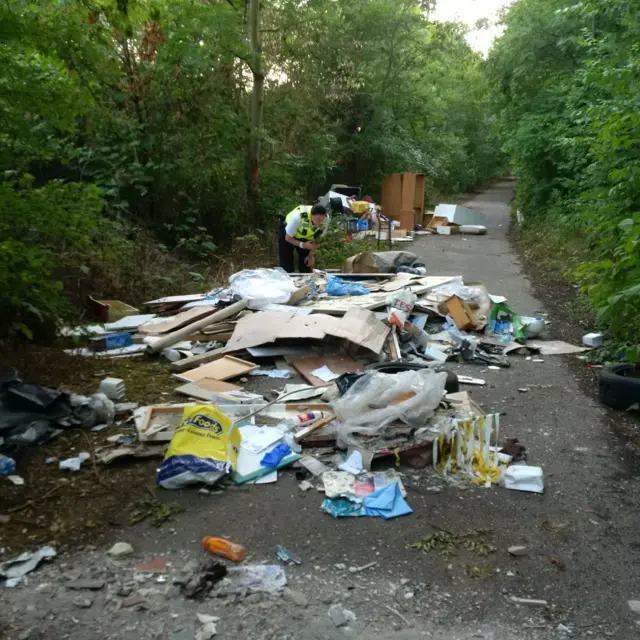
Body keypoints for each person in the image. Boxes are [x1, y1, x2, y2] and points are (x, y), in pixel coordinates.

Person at [278, 203, 328, 273]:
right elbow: (288, 238)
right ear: (311, 215)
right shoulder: (297, 218)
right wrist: (303, 245)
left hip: (305, 237)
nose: (320, 222)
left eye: (322, 220)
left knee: (307, 264)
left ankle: (305, 282)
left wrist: (311, 255)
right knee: (286, 265)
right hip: (288, 233)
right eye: (318, 219)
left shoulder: (326, 220)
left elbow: (317, 239)